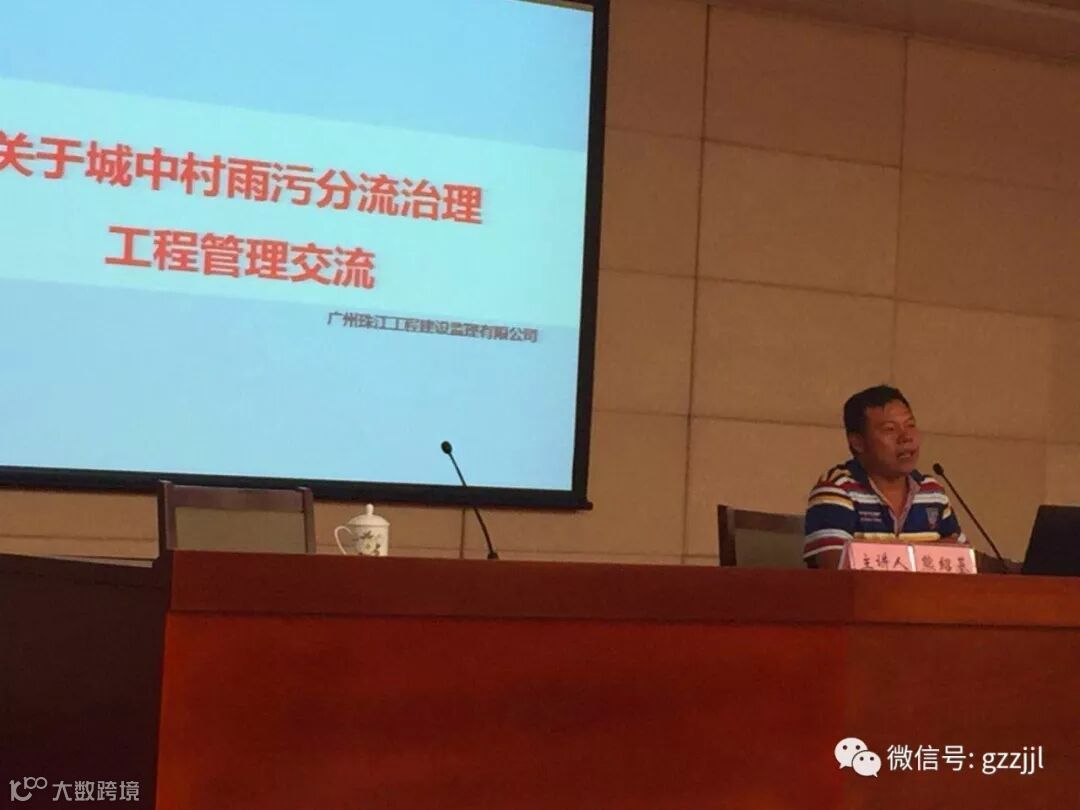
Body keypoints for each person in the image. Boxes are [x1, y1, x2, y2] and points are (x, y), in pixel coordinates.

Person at [804, 385, 966, 569]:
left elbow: (961, 559)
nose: (906, 437)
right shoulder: (837, 489)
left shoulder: (932, 492)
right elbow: (835, 567)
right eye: (890, 429)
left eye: (910, 425)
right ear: (858, 443)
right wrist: (928, 552)